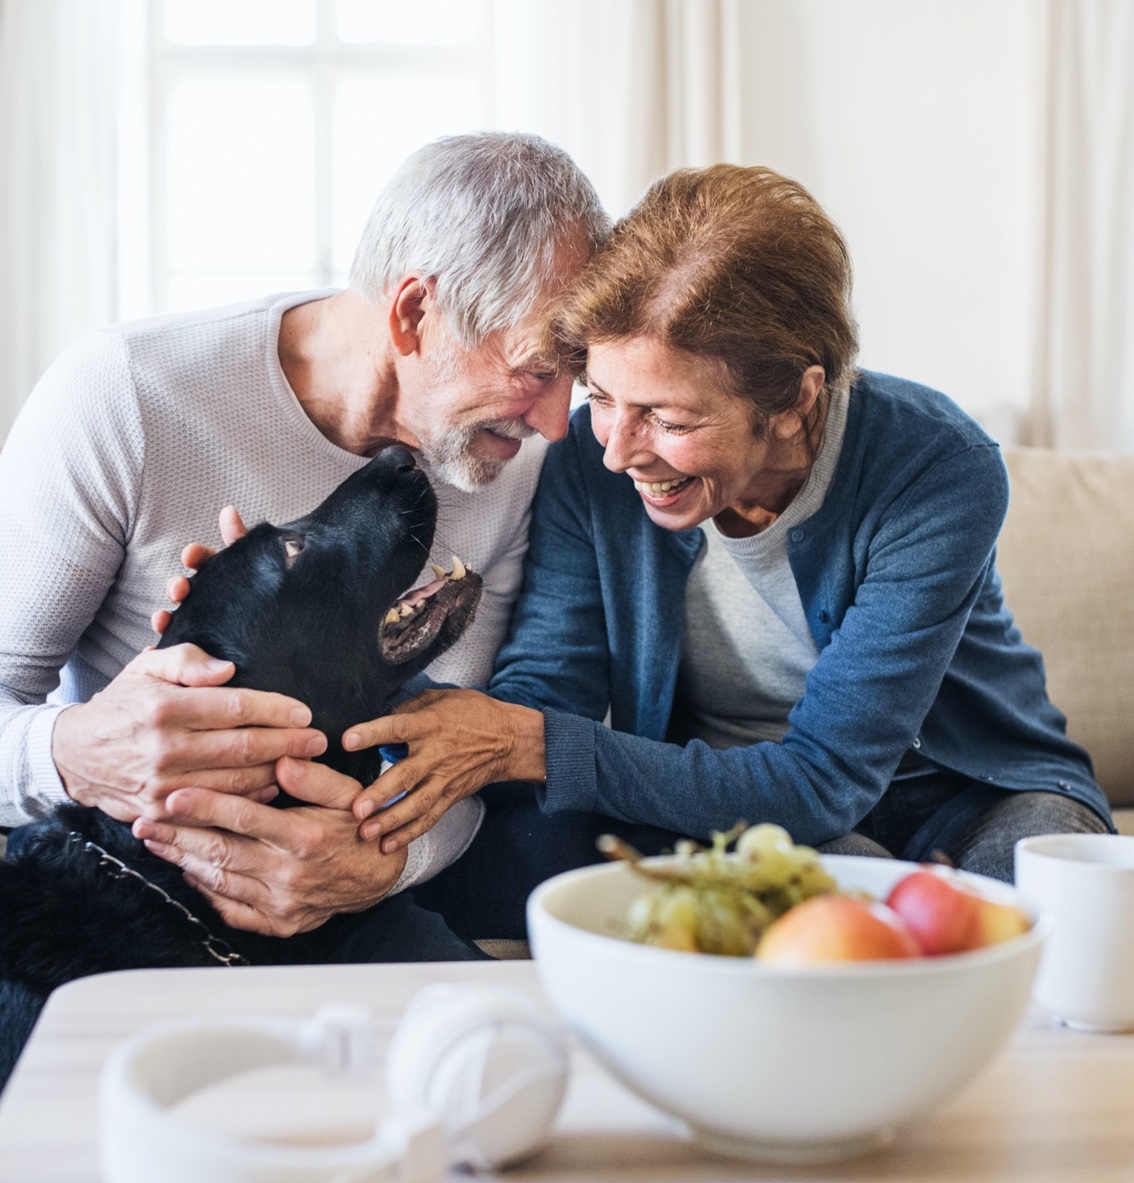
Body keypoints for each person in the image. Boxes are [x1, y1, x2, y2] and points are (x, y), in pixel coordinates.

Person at [328, 164, 1112, 939]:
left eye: (669, 418)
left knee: (1052, 913)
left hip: (978, 790)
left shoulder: (936, 466)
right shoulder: (585, 464)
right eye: (601, 396)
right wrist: (363, 686)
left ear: (796, 398)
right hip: (739, 808)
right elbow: (546, 694)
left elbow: (824, 778)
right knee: (820, 919)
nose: (617, 451)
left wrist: (531, 742)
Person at [0, 131, 609, 958]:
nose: (552, 418)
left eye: (575, 375)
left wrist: (380, 867)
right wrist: (74, 751)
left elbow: (454, 759)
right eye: (538, 370)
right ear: (414, 311)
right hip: (123, 900)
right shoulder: (126, 394)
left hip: (348, 907)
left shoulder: (514, 461)